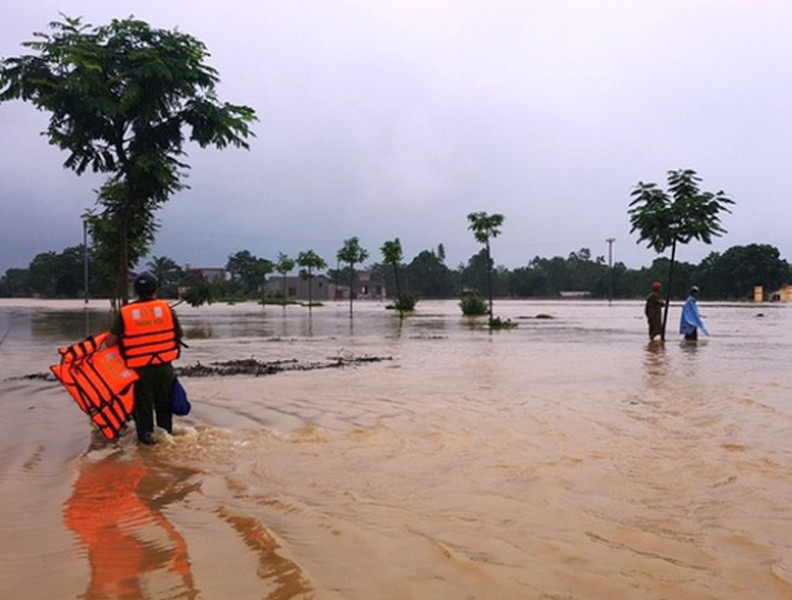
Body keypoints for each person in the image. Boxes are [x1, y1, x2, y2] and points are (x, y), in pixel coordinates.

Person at [106, 272, 183, 445]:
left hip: (139, 371)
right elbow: (178, 335)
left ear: (136, 291)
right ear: (156, 290)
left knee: (143, 412)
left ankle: (147, 446)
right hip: (164, 368)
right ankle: (166, 439)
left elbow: (110, 343)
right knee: (164, 409)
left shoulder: (125, 313)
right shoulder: (167, 310)